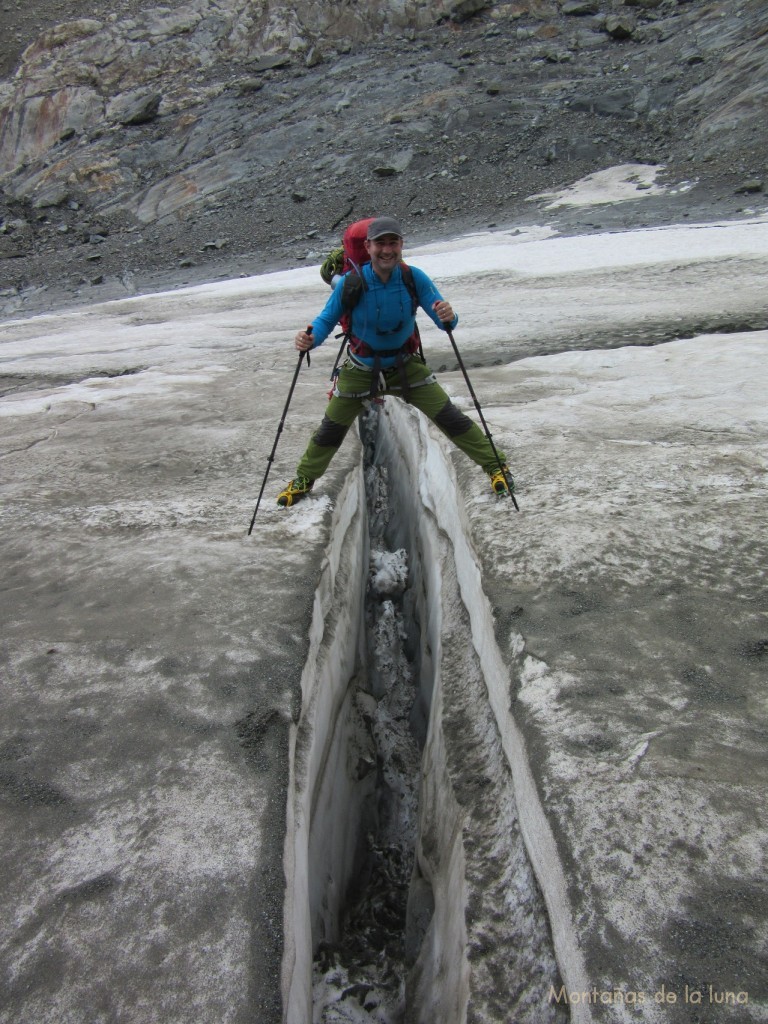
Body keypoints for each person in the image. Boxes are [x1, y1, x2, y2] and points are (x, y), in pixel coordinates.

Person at [277, 216, 513, 506]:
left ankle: (496, 466)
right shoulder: (352, 283)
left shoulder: (413, 278)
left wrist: (449, 317)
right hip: (361, 367)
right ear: (368, 245)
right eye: (380, 243)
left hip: (405, 366)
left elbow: (444, 320)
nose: (387, 250)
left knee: (451, 418)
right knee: (331, 429)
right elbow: (326, 319)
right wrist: (309, 339)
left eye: (393, 243)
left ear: (401, 245)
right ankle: (304, 479)